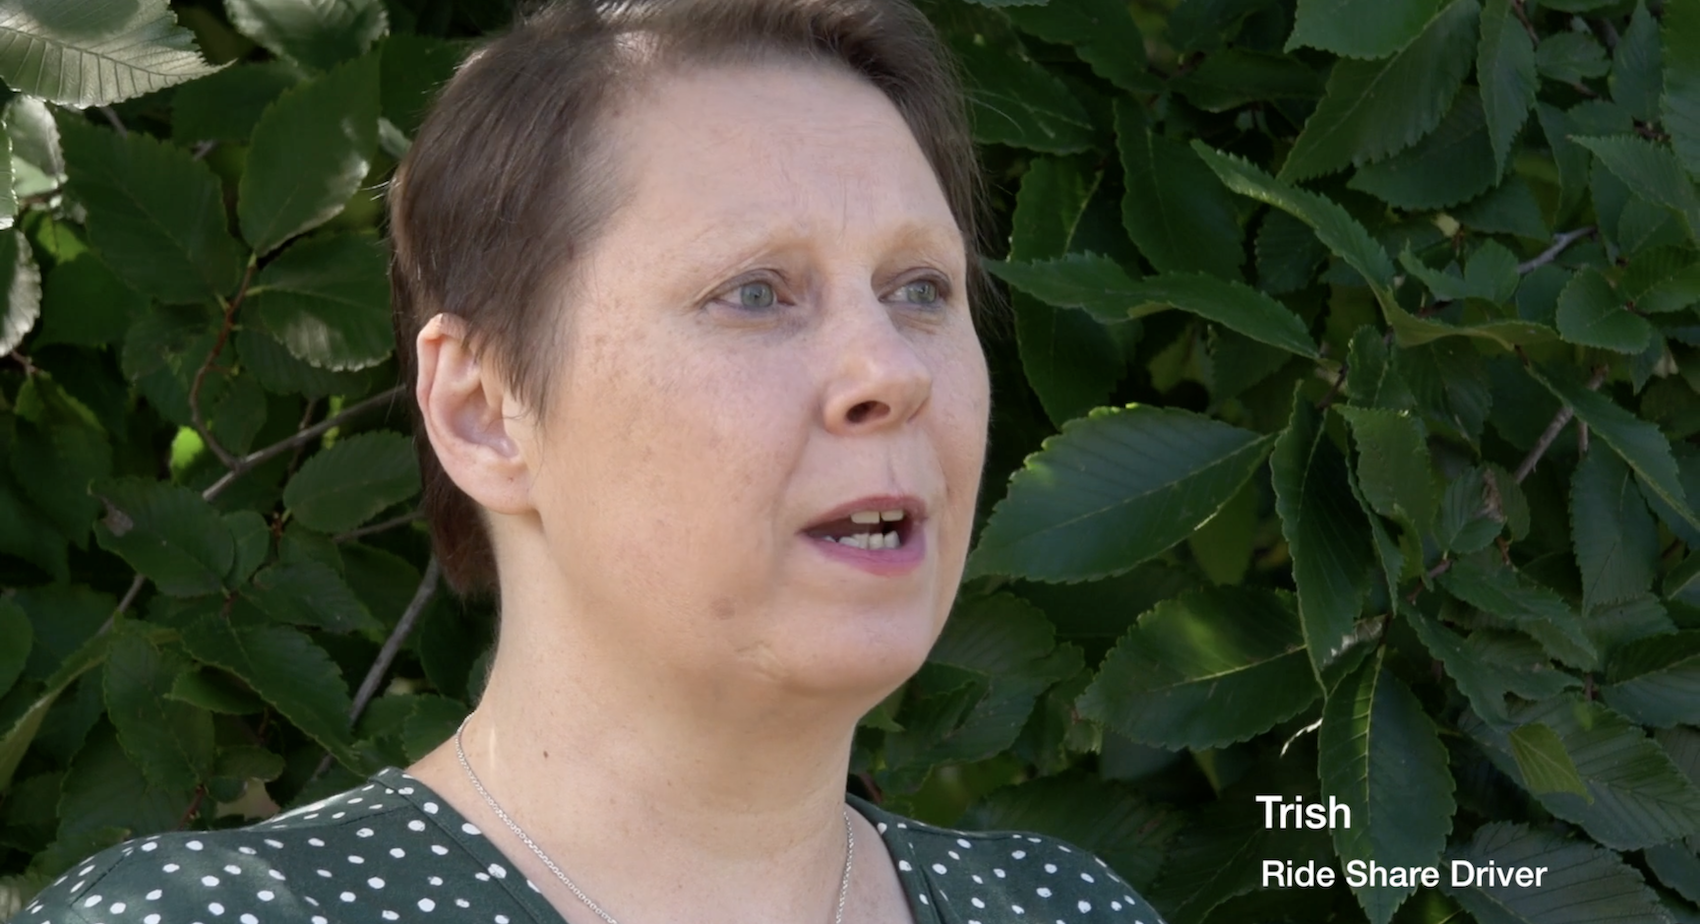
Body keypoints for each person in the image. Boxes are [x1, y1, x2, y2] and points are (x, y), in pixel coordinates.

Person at [16, 1, 1167, 922]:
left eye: (919, 289)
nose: (891, 370)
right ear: (481, 412)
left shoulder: (1064, 908)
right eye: (755, 293)